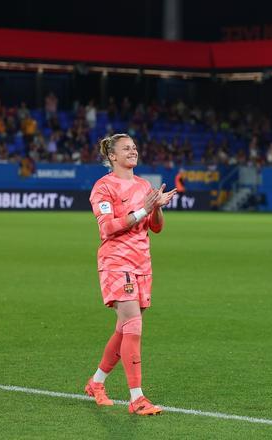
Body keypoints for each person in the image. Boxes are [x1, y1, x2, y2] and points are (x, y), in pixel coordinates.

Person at [86, 133, 177, 415]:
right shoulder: (103, 188)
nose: (133, 151)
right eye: (126, 148)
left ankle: (96, 382)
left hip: (141, 263)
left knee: (125, 328)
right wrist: (142, 210)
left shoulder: (144, 186)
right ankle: (137, 398)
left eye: (135, 147)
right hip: (116, 262)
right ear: (112, 156)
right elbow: (107, 228)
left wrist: (157, 209)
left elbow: (156, 227)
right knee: (134, 325)